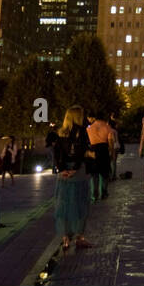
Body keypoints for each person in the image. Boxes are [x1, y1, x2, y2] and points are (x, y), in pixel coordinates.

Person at [53, 106, 93, 252]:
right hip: (78, 172)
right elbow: (81, 151)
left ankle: (65, 238)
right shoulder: (82, 132)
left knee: (64, 205)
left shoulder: (61, 133)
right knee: (80, 203)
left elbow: (57, 154)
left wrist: (62, 169)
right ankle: (79, 236)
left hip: (64, 175)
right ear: (77, 116)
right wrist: (74, 169)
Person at [86, 113, 112, 201]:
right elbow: (110, 140)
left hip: (93, 149)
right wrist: (111, 151)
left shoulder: (89, 128)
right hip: (104, 149)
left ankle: (94, 194)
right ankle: (104, 193)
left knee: (94, 174)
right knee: (104, 173)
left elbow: (87, 141)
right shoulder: (107, 127)